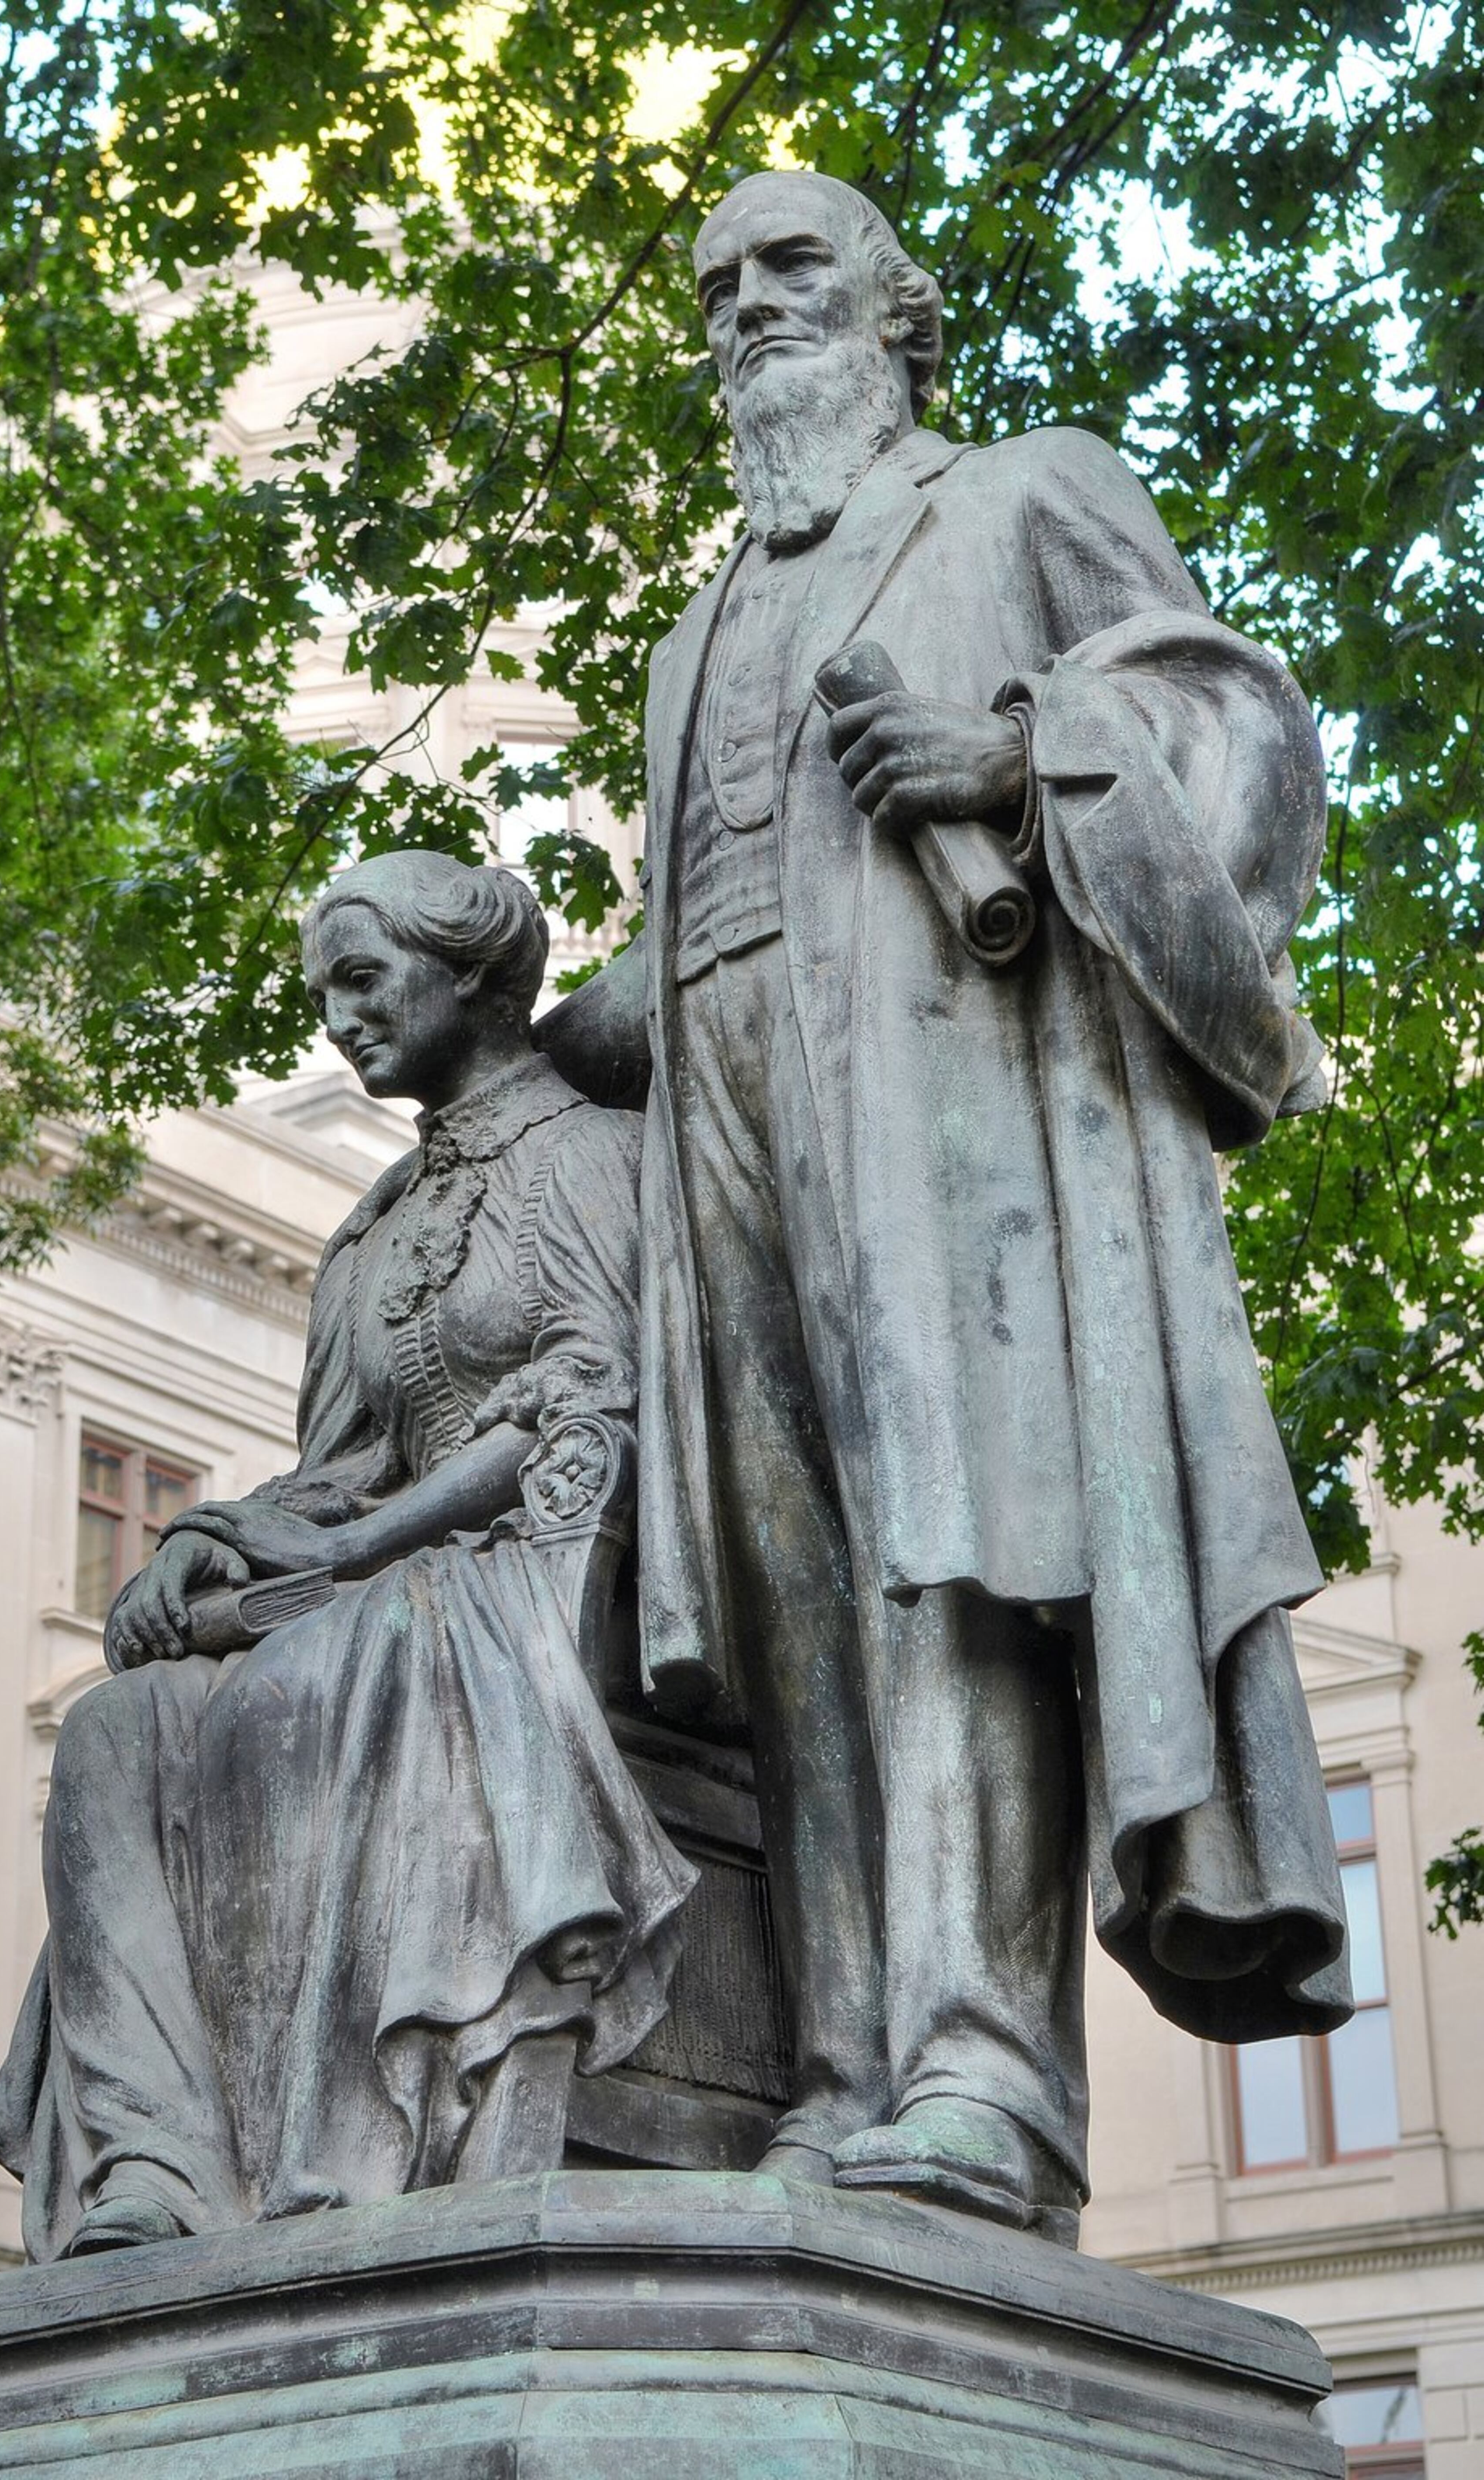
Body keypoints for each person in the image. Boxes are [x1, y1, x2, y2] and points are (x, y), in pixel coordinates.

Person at [539, 169, 1350, 2242]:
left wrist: (1010, 758)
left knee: (957, 1556)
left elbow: (1236, 735)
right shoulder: (685, 635)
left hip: (952, 1116)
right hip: (725, 1125)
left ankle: (986, 2071)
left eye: (791, 265)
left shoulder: (1019, 496)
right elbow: (709, 908)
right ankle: (841, 2072)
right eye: (716, 285)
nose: (745, 307)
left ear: (901, 310)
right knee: (793, 1606)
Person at [0, 852, 694, 2260]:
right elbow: (340, 1462)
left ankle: (379, 2121)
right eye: (322, 996)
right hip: (379, 1568)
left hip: (541, 1575)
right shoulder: (371, 1232)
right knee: (120, 1730)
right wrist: (211, 1543)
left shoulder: (596, 1156)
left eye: (364, 982)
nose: (340, 1021)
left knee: (375, 1647)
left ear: (474, 976)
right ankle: (155, 2165)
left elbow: (590, 1396)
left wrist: (360, 1546)